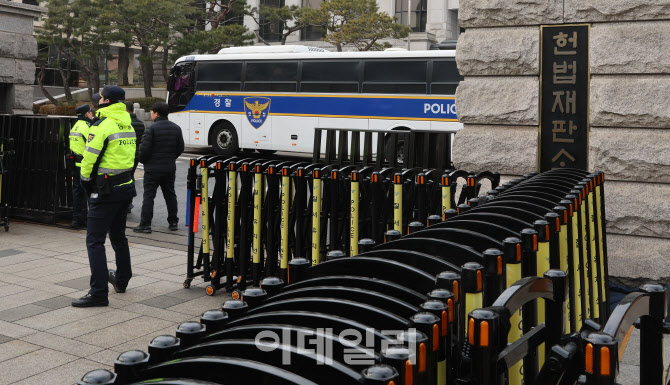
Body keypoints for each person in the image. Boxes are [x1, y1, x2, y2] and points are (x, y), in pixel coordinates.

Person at [72, 85, 136, 308]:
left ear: (106, 101)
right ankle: (121, 280)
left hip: (105, 190)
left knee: (95, 241)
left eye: (99, 98)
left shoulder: (102, 125)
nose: (97, 101)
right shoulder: (127, 122)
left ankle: (99, 292)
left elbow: (89, 158)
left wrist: (85, 180)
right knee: (119, 237)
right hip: (125, 186)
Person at [133, 102, 184, 233]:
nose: (151, 114)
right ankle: (173, 221)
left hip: (152, 169)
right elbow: (180, 148)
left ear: (156, 113)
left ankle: (145, 224)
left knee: (149, 196)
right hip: (169, 168)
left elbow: (144, 150)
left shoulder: (151, 129)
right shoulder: (176, 128)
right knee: (170, 195)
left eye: (151, 112)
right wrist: (170, 158)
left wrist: (145, 162)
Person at [68, 104, 96, 229]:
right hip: (86, 165)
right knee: (90, 192)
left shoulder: (75, 126)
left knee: (77, 193)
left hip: (75, 165)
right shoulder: (88, 127)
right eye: (90, 112)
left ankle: (76, 219)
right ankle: (92, 221)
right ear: (86, 114)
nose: (92, 114)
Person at [125, 102, 145, 214]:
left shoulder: (126, 124)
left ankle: (126, 202)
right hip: (136, 154)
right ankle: (129, 202)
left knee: (125, 178)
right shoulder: (140, 123)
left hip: (126, 154)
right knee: (131, 177)